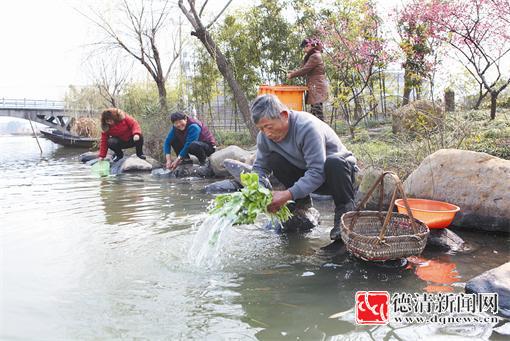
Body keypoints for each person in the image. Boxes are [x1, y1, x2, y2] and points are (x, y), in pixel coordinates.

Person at [251, 94, 357, 240]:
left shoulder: (307, 127)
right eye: (261, 129)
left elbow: (318, 171)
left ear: (284, 115)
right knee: (274, 159)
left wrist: (287, 194)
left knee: (334, 162)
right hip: (309, 174)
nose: (267, 133)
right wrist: (258, 190)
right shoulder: (264, 138)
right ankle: (301, 204)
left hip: (337, 175)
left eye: (268, 127)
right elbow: (260, 168)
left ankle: (344, 212)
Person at [287, 37, 329, 121]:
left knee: (317, 113)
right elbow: (304, 68)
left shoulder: (315, 56)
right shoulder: (313, 55)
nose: (304, 50)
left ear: (309, 46)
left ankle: (322, 132)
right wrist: (294, 72)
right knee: (315, 112)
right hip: (315, 86)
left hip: (317, 87)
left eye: (305, 47)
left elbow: (304, 70)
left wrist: (292, 75)